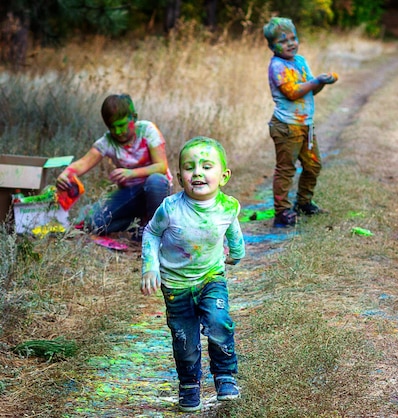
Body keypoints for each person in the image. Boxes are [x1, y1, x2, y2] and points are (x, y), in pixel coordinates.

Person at [141, 137, 245, 412]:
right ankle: (189, 384)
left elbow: (233, 232)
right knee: (184, 339)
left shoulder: (227, 206)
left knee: (219, 322)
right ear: (179, 177)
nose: (197, 172)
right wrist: (150, 266)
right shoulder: (170, 208)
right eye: (190, 167)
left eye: (206, 166)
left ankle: (225, 375)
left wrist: (237, 254)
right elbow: (151, 233)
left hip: (211, 277)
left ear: (223, 176)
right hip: (176, 285)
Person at [56, 93, 172, 237]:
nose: (118, 132)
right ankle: (138, 223)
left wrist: (131, 173)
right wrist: (66, 174)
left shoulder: (147, 130)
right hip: (130, 193)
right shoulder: (107, 141)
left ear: (133, 117)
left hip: (156, 191)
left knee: (155, 180)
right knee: (94, 223)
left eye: (121, 125)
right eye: (112, 127)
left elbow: (161, 166)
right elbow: (84, 162)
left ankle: (156, 230)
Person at [263, 16, 337, 227]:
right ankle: (282, 212)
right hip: (286, 126)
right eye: (283, 40)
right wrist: (315, 81)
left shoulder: (300, 61)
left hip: (305, 125)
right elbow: (293, 92)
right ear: (272, 45)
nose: (291, 44)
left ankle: (303, 203)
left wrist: (322, 82)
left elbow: (311, 88)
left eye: (293, 38)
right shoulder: (277, 66)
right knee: (286, 169)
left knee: (313, 165)